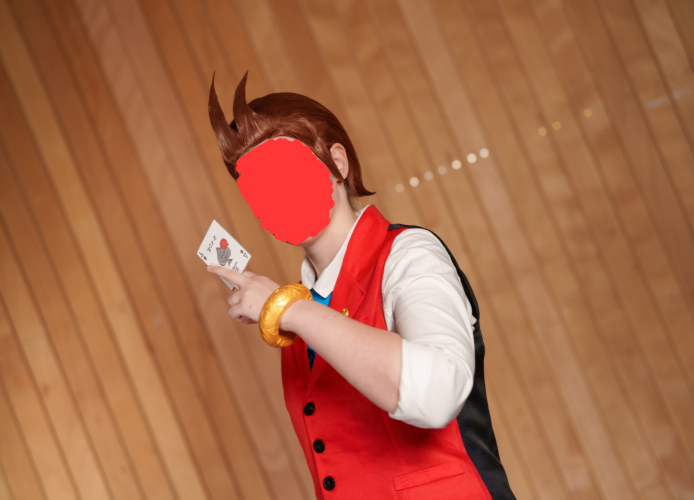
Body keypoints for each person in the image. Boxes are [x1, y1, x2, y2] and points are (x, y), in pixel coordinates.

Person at [206, 72, 515, 500]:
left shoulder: (408, 254)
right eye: (257, 188)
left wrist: (289, 310)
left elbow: (439, 392)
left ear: (338, 162)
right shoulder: (299, 307)